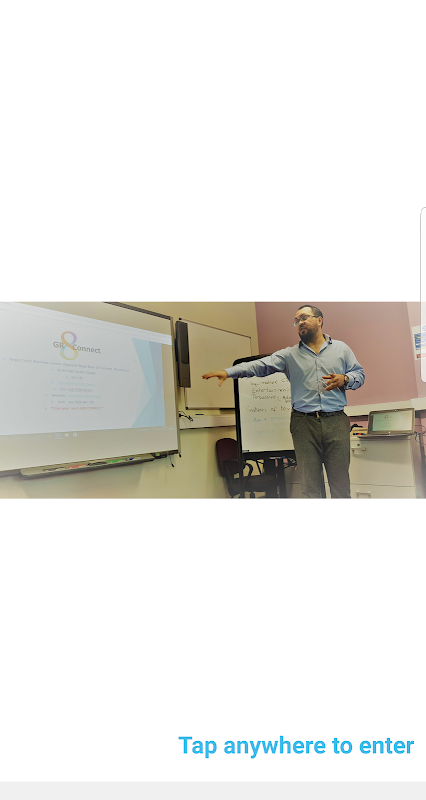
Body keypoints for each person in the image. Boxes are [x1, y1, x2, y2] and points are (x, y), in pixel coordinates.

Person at [202, 305, 365, 498]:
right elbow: (259, 366)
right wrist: (228, 372)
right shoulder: (289, 355)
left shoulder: (341, 349)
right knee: (309, 486)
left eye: (304, 317)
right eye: (296, 321)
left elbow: (359, 375)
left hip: (335, 421)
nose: (300, 323)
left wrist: (345, 379)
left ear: (319, 319)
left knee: (341, 486)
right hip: (304, 424)